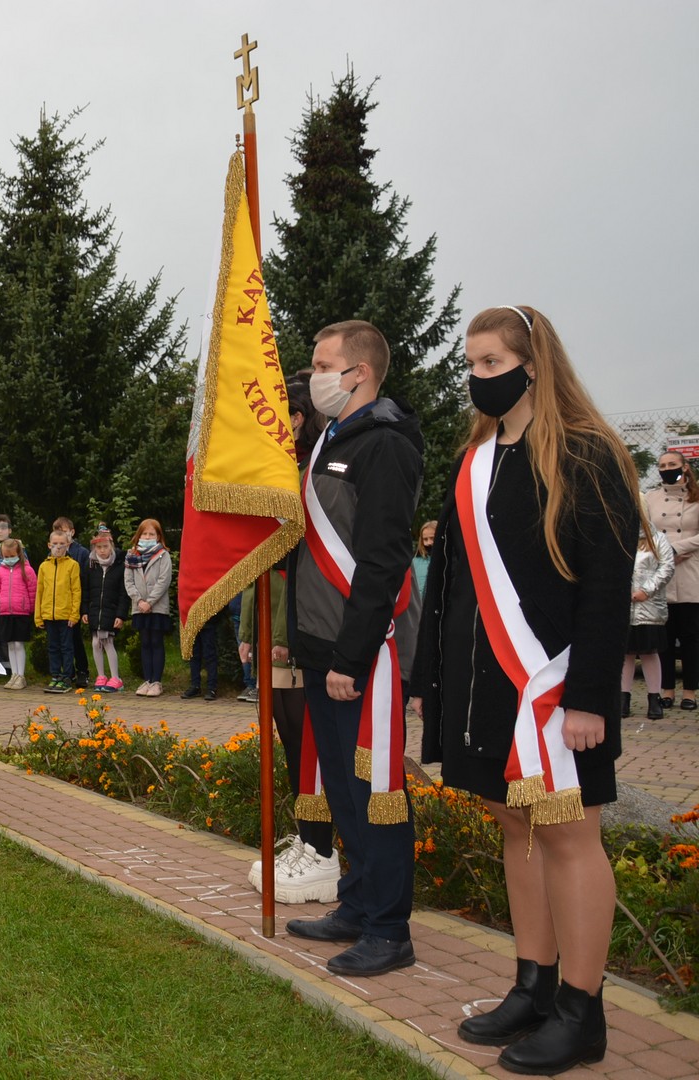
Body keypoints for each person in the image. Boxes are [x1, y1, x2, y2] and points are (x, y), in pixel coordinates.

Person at [412, 305, 641, 1072]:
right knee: (518, 827)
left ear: (532, 365)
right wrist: (430, 681)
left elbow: (606, 585)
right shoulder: (475, 462)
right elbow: (448, 586)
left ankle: (581, 1011)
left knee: (571, 837)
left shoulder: (586, 453)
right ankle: (533, 986)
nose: (478, 377)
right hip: (486, 691)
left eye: (490, 363)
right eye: (470, 365)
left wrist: (588, 698)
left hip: (555, 691)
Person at [286, 319, 422, 980]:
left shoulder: (385, 445)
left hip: (357, 655)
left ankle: (389, 929)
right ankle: (358, 904)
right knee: (342, 789)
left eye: (322, 365)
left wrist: (351, 656)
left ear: (359, 372)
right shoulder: (329, 439)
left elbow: (383, 560)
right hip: (320, 646)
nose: (313, 377)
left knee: (375, 793)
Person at [241, 374, 340, 904]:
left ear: (297, 419)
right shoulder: (283, 476)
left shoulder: (311, 476)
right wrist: (249, 630)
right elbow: (260, 563)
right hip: (277, 629)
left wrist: (282, 635)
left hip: (301, 633)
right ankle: (308, 842)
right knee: (292, 746)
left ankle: (322, 849)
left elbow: (300, 570)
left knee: (309, 750)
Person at [647, 451, 699, 711]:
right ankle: (666, 690)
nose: (667, 469)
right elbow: (645, 531)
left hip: (690, 572)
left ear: (685, 467)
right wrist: (664, 553)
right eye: (662, 465)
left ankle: (690, 692)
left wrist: (677, 548)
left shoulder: (697, 496)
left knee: (691, 638)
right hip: (661, 573)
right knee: (664, 639)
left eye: (672, 464)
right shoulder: (651, 498)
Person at [624, 526, 675, 719]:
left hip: (650, 607)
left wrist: (646, 590)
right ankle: (623, 699)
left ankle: (654, 699)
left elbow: (667, 567)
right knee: (626, 654)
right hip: (623, 606)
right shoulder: (619, 537)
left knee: (649, 653)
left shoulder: (658, 538)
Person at [124, 518, 173, 697]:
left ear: (158, 536)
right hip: (139, 607)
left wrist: (150, 602)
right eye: (144, 533)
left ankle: (156, 682)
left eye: (151, 534)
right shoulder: (132, 554)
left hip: (157, 607)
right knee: (145, 643)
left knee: (156, 642)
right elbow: (128, 581)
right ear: (138, 536)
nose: (147, 536)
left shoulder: (163, 555)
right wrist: (139, 601)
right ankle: (148, 680)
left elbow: (164, 580)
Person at [82, 525, 129, 691]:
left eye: (105, 547)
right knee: (95, 643)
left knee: (108, 642)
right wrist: (84, 611)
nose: (102, 551)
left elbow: (124, 594)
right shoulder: (90, 566)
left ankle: (116, 678)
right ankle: (101, 676)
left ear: (112, 546)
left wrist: (121, 615)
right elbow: (86, 590)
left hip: (111, 612)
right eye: (99, 547)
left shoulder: (120, 565)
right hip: (95, 612)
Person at [0, 515, 30, 673]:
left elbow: (25, 568)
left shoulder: (18, 546)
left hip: (12, 601)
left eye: (3, 528)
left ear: (9, 530)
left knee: (7, 636)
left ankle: (9, 667)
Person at [35, 530, 81, 693]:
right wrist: (38, 616)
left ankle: (67, 676)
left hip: (66, 615)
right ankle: (55, 675)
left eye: (62, 544)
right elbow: (39, 591)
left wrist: (74, 614)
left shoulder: (72, 565)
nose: (58, 547)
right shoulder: (44, 566)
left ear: (67, 545)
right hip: (48, 615)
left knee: (66, 647)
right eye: (55, 544)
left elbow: (76, 591)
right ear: (49, 545)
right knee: (52, 647)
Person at [0, 538, 37, 690]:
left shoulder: (27, 570)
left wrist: (30, 608)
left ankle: (21, 675)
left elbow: (33, 591)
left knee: (18, 644)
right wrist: (3, 603)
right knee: (10, 644)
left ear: (19, 554)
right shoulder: (0, 571)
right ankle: (14, 674)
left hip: (21, 612)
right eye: (6, 556)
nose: (9, 558)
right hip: (6, 612)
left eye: (12, 555)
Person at [54, 517, 92, 686]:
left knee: (75, 639)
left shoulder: (82, 552)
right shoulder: (53, 552)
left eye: (64, 531)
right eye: (58, 532)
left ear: (72, 532)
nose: (61, 535)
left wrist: (82, 606)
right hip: (59, 605)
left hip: (75, 603)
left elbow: (84, 579)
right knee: (61, 641)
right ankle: (65, 672)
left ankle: (82, 670)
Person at [411, 521, 436, 599]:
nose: (429, 543)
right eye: (425, 539)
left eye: (432, 538)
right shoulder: (414, 562)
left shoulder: (449, 560)